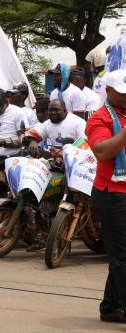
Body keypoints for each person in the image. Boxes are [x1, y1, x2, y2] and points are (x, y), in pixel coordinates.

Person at [86, 69, 126, 324]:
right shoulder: (100, 118)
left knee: (121, 256)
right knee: (123, 257)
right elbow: (102, 152)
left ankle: (110, 308)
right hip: (112, 196)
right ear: (109, 92)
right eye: (124, 93)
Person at [0, 90, 28, 156]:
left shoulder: (18, 112)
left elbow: (24, 139)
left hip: (11, 158)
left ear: (6, 102)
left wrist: (4, 142)